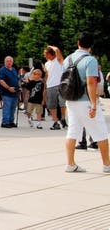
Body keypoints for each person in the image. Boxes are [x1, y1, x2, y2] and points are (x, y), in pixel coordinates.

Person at [62, 32, 110, 173]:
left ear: (78, 43)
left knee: (72, 132)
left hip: (71, 100)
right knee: (100, 132)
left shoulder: (68, 59)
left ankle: (70, 163)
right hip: (86, 101)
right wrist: (94, 104)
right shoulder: (90, 60)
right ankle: (107, 164)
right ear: (91, 46)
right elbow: (90, 82)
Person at [43, 45, 67, 130]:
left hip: (60, 84)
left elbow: (57, 50)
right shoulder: (46, 64)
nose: (44, 55)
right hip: (50, 85)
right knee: (52, 105)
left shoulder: (58, 60)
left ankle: (63, 118)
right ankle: (55, 121)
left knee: (62, 103)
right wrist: (45, 85)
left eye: (45, 53)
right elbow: (46, 75)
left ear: (50, 54)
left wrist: (50, 46)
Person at [0, 56, 20, 128]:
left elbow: (17, 79)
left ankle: (11, 121)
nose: (9, 62)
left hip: (15, 92)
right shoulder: (2, 70)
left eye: (10, 61)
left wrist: (19, 87)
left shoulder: (13, 69)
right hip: (6, 92)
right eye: (7, 61)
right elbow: (1, 81)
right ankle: (5, 122)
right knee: (7, 107)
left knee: (13, 108)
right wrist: (8, 87)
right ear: (5, 62)